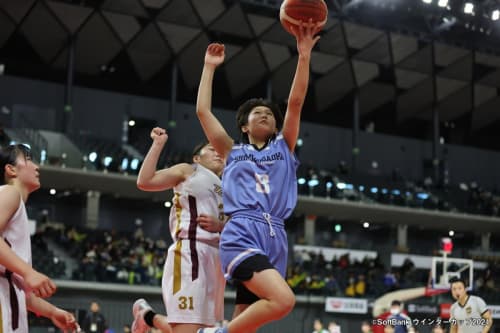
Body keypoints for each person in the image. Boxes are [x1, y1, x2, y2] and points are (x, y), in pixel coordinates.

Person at [195, 18, 320, 333]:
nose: (264, 113)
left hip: (275, 236)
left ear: (276, 127)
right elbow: (203, 112)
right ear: (244, 126)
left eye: (269, 114)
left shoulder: (284, 148)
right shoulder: (231, 150)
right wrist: (209, 67)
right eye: (256, 113)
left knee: (246, 321)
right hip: (242, 231)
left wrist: (304, 55)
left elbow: (295, 102)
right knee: (283, 301)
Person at [132, 128, 226, 333]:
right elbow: (145, 181)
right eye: (211, 149)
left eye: (220, 149)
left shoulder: (229, 185)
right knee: (188, 328)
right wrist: (157, 145)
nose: (218, 152)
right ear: (197, 158)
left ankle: (146, 316)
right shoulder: (190, 170)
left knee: (199, 328)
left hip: (217, 258)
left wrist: (222, 225)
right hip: (192, 250)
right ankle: (147, 316)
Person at [0, 143, 79, 332]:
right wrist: (28, 272)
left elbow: (20, 291)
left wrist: (52, 312)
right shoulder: (10, 193)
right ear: (11, 169)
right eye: (28, 159)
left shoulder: (13, 205)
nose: (37, 166)